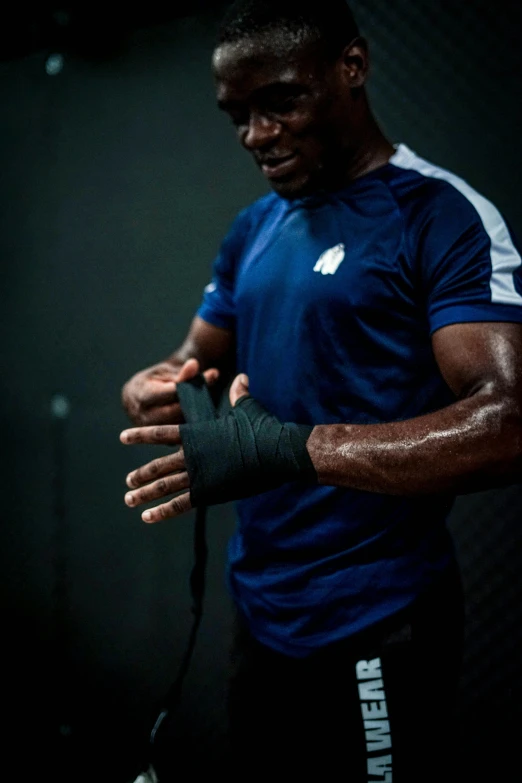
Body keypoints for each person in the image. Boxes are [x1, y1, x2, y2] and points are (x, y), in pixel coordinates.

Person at [120, 1, 522, 780]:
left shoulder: (439, 216)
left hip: (378, 612)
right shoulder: (253, 229)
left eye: (281, 101)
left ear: (352, 68)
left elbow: (509, 423)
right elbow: (190, 364)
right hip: (262, 610)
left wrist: (299, 448)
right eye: (238, 114)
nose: (256, 135)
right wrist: (155, 389)